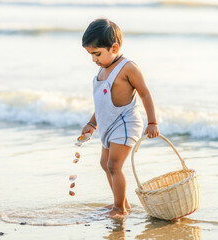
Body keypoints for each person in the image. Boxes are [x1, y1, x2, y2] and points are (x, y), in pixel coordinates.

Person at [81, 18, 159, 218]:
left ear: (114, 47)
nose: (94, 60)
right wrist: (92, 123)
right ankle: (121, 202)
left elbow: (145, 94)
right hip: (109, 124)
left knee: (114, 165)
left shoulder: (128, 68)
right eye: (91, 55)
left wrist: (152, 122)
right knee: (104, 164)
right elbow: (102, 104)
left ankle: (120, 209)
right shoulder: (102, 70)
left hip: (126, 122)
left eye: (97, 54)